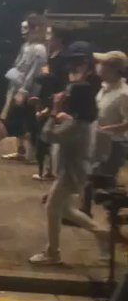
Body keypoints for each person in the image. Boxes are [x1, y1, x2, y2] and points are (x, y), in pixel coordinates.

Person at [31, 47, 106, 265]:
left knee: (53, 209)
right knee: (66, 210)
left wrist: (54, 111)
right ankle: (103, 234)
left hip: (70, 172)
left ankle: (53, 253)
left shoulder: (77, 126)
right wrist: (62, 115)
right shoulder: (83, 120)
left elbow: (47, 136)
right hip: (71, 170)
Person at [2, 15, 49, 163]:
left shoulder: (39, 49)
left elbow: (33, 72)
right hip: (17, 85)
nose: (24, 31)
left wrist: (24, 91)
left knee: (29, 120)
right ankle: (20, 149)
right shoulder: (25, 46)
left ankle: (33, 153)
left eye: (27, 28)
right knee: (17, 119)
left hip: (28, 90)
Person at [30, 27, 71, 181]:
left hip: (57, 101)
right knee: (42, 135)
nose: (48, 39)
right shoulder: (49, 56)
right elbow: (43, 79)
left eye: (50, 35)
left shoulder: (65, 58)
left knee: (53, 136)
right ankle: (44, 169)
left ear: (59, 39)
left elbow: (61, 82)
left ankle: (53, 171)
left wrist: (47, 76)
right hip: (46, 98)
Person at [92, 50, 128, 199]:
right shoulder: (104, 88)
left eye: (102, 64)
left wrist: (103, 130)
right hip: (99, 141)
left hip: (114, 145)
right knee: (92, 183)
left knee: (104, 188)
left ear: (114, 69)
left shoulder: (123, 94)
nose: (98, 66)